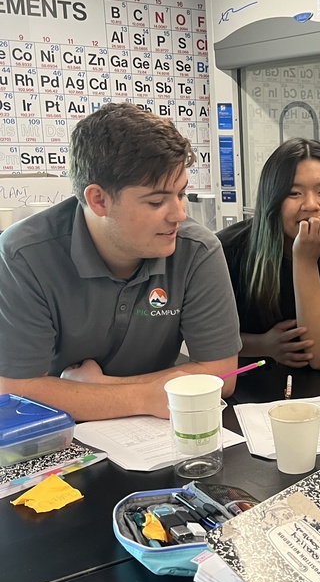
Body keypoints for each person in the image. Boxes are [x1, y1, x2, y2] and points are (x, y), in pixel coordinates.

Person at [0, 103, 241, 421]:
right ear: (98, 200)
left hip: (153, 437)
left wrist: (102, 388)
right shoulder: (24, 255)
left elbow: (221, 374)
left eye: (181, 194)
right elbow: (15, 390)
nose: (179, 215)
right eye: (157, 201)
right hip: (60, 434)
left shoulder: (198, 250)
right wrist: (144, 397)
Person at [218, 138, 320, 371]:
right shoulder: (224, 249)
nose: (310, 205)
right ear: (272, 198)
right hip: (238, 382)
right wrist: (262, 345)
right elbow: (201, 339)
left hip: (316, 393)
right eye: (294, 193)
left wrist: (305, 260)